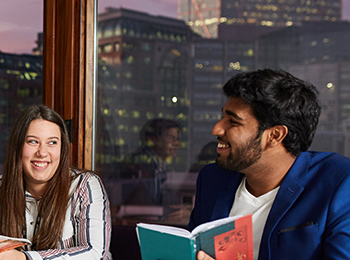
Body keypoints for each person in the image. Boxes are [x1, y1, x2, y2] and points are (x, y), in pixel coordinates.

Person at [189, 69, 350, 260]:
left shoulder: (339, 182)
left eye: (233, 121)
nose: (216, 128)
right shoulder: (213, 178)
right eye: (222, 116)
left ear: (275, 135)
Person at [0, 105, 111, 260]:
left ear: (62, 148)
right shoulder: (2, 186)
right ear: (18, 147)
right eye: (33, 141)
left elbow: (95, 253)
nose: (42, 153)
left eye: (52, 143)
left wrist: (25, 258)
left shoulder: (85, 185)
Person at [119, 118, 181, 205]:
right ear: (153, 139)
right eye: (171, 138)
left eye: (177, 139)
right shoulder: (138, 165)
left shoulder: (160, 165)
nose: (176, 143)